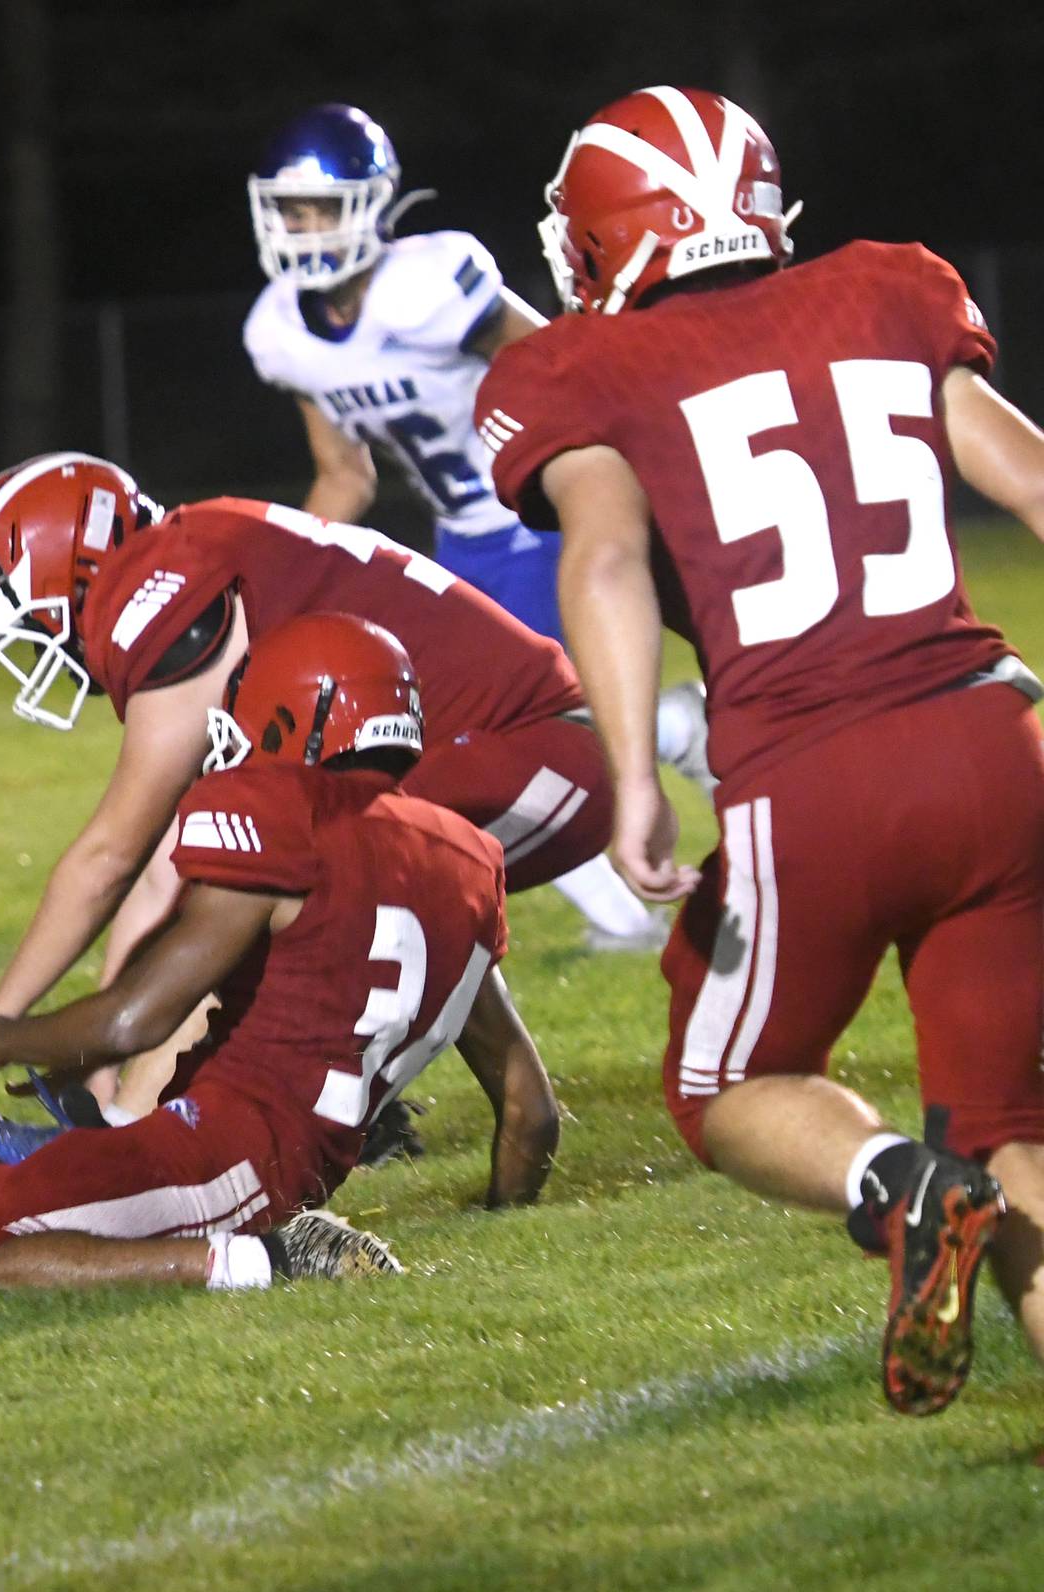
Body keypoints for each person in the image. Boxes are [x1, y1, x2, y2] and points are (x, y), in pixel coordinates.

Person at [475, 83, 1044, 1415]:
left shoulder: (579, 368)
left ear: (611, 239)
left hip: (817, 772)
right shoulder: (890, 288)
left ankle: (894, 1187)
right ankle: (952, 1190)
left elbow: (606, 558)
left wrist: (629, 775)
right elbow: (1028, 476)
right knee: (1013, 1129)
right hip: (994, 744)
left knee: (726, 1084)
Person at [0, 449, 623, 1140]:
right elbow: (170, 864)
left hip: (538, 753)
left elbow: (110, 859)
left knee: (260, 901)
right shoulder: (193, 551)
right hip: (518, 748)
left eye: (29, 625)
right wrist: (97, 1056)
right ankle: (213, 1121)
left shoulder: (159, 591)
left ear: (69, 569)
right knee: (271, 884)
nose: (41, 651)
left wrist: (2, 1017)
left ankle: (155, 1143)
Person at [0, 613, 558, 1291]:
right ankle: (250, 1239)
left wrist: (4, 1036)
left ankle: (269, 1261)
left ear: (297, 722)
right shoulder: (464, 859)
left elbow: (136, 1020)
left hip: (227, 1153)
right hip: (270, 1153)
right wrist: (504, 1212)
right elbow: (530, 1110)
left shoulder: (289, 814)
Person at [244, 100, 716, 954]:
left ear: (373, 204)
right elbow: (345, 477)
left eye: (323, 207)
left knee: (510, 744)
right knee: (456, 746)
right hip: (460, 540)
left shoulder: (427, 284)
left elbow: (565, 365)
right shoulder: (281, 334)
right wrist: (267, 578)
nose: (307, 229)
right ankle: (630, 910)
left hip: (539, 513)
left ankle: (677, 744)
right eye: (292, 210)